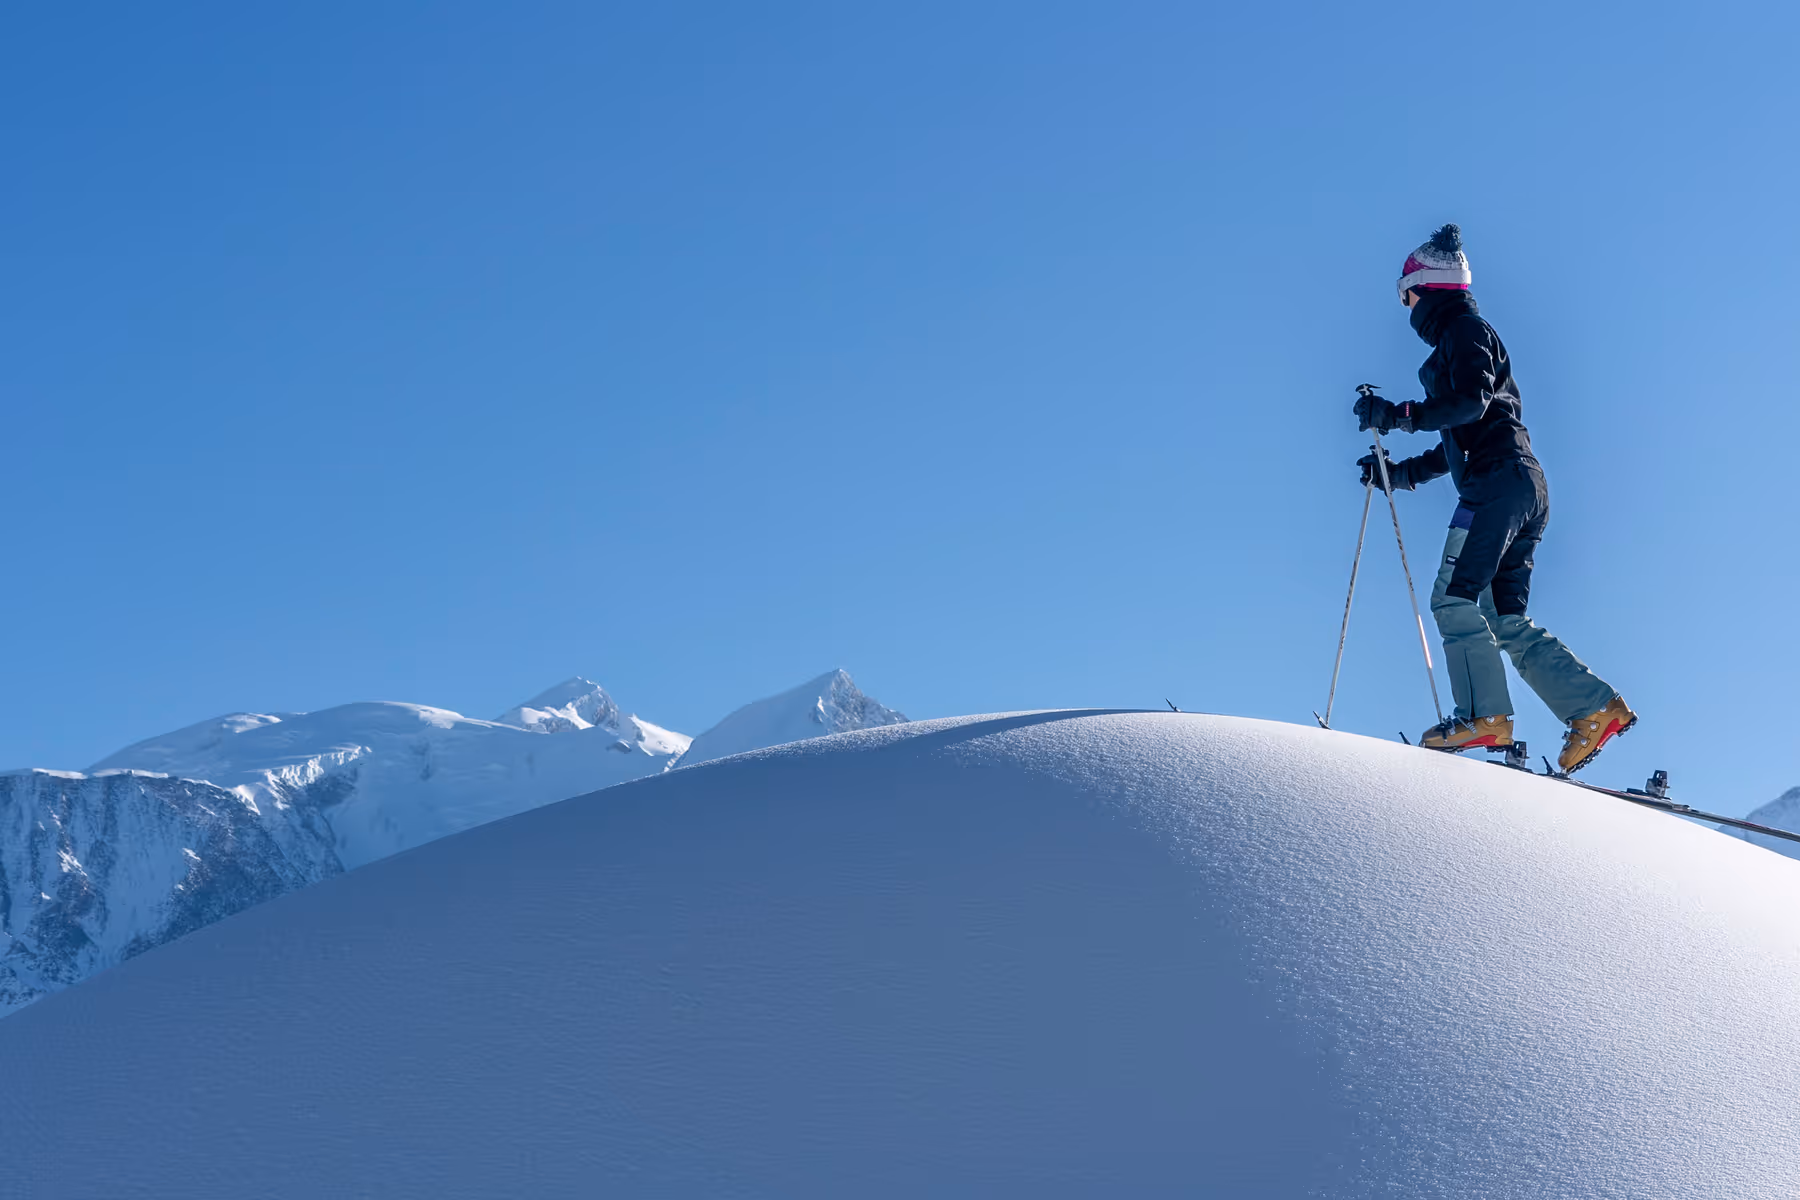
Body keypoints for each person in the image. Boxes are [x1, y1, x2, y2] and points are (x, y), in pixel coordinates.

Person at [1352, 224, 1635, 775]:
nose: (1403, 304)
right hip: (1521, 485)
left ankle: (1485, 717)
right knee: (1505, 619)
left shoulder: (1464, 332)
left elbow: (1468, 406)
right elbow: (1458, 436)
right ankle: (1594, 708)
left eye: (1403, 290)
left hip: (1496, 487)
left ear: (1427, 288)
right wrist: (1400, 474)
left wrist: (1397, 415)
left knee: (1453, 600)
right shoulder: (1460, 341)